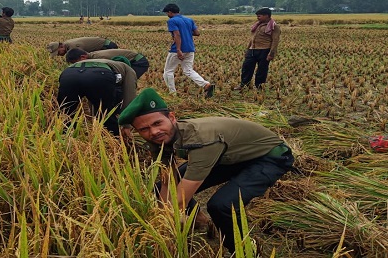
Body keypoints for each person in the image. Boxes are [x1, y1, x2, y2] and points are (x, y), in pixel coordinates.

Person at [118, 88, 294, 253]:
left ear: (172, 117)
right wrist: (162, 211)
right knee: (160, 188)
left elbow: (180, 199)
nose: (154, 132)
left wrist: (160, 226)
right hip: (231, 156)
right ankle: (199, 221)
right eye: (144, 129)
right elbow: (168, 180)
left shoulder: (201, 140)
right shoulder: (160, 140)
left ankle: (244, 252)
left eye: (157, 123)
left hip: (270, 157)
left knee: (222, 206)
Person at [57, 58, 137, 135]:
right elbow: (130, 95)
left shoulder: (103, 61)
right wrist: (127, 125)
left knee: (66, 113)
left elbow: (92, 95)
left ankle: (64, 139)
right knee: (106, 114)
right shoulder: (128, 70)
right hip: (100, 74)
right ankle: (118, 141)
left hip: (69, 74)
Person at [161, 3, 214, 98]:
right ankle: (206, 84)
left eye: (167, 13)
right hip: (190, 48)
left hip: (177, 49)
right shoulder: (189, 20)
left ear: (170, 12)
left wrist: (178, 49)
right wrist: (186, 32)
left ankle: (172, 93)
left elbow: (177, 35)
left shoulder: (172, 21)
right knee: (188, 70)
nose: (167, 15)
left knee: (168, 71)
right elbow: (197, 33)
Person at [234, 8, 281, 90]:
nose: (257, 18)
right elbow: (252, 39)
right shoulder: (257, 25)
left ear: (266, 16)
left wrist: (271, 53)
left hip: (264, 50)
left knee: (262, 70)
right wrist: (248, 49)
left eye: (259, 16)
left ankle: (259, 86)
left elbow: (275, 40)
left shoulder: (274, 27)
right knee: (246, 67)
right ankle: (243, 84)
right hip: (252, 50)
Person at [65, 48, 150, 79]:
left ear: (83, 57)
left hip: (138, 62)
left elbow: (114, 70)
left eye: (76, 63)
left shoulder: (100, 59)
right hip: (127, 61)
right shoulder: (92, 57)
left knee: (127, 79)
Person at [47, 37, 118, 58]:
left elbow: (85, 57)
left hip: (107, 46)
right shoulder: (67, 44)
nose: (59, 55)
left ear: (61, 46)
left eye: (58, 52)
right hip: (103, 47)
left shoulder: (73, 47)